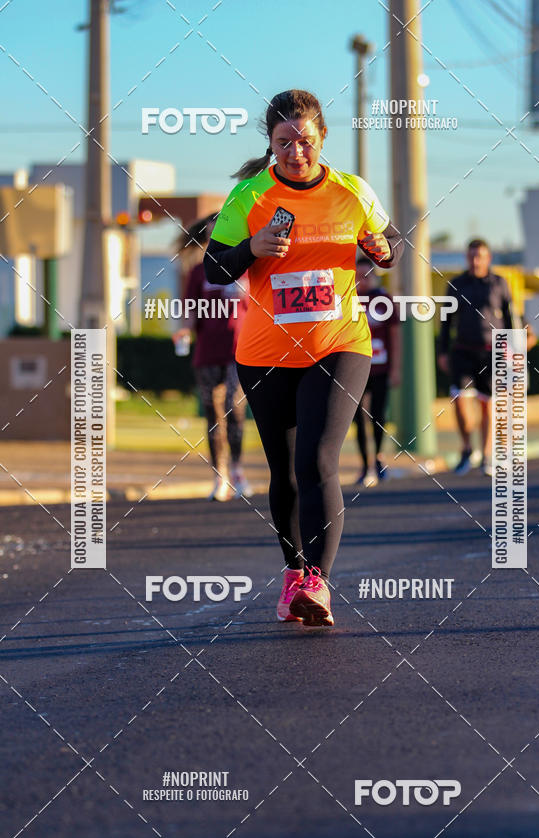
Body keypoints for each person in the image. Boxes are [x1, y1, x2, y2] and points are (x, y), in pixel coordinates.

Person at [204, 89, 403, 627]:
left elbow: (387, 240)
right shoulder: (249, 196)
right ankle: (294, 574)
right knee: (284, 471)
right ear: (270, 145)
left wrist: (384, 249)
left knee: (317, 459)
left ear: (322, 139)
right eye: (284, 142)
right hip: (265, 352)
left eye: (305, 141)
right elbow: (213, 268)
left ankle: (317, 581)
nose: (296, 152)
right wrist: (253, 249)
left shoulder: (351, 190)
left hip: (338, 344)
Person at [172, 214, 251, 501]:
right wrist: (184, 330)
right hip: (207, 351)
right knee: (212, 414)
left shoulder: (248, 267)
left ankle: (238, 469)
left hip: (240, 351)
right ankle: (221, 476)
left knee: (234, 407)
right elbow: (190, 311)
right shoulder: (197, 272)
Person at [438, 238, 515, 477]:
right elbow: (445, 322)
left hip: (492, 352)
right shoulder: (456, 284)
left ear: (488, 258)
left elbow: (512, 320)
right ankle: (467, 449)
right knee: (460, 401)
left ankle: (487, 455)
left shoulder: (499, 283)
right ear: (466, 257)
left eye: (480, 255)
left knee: (487, 404)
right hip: (462, 350)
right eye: (471, 255)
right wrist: (442, 351)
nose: (475, 260)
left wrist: (512, 348)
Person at [352, 257, 401, 485]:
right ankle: (364, 464)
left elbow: (395, 335)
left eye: (366, 275)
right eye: (358, 275)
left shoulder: (383, 300)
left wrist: (395, 368)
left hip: (380, 366)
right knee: (358, 418)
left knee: (379, 415)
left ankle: (379, 458)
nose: (362, 280)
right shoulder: (348, 298)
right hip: (354, 369)